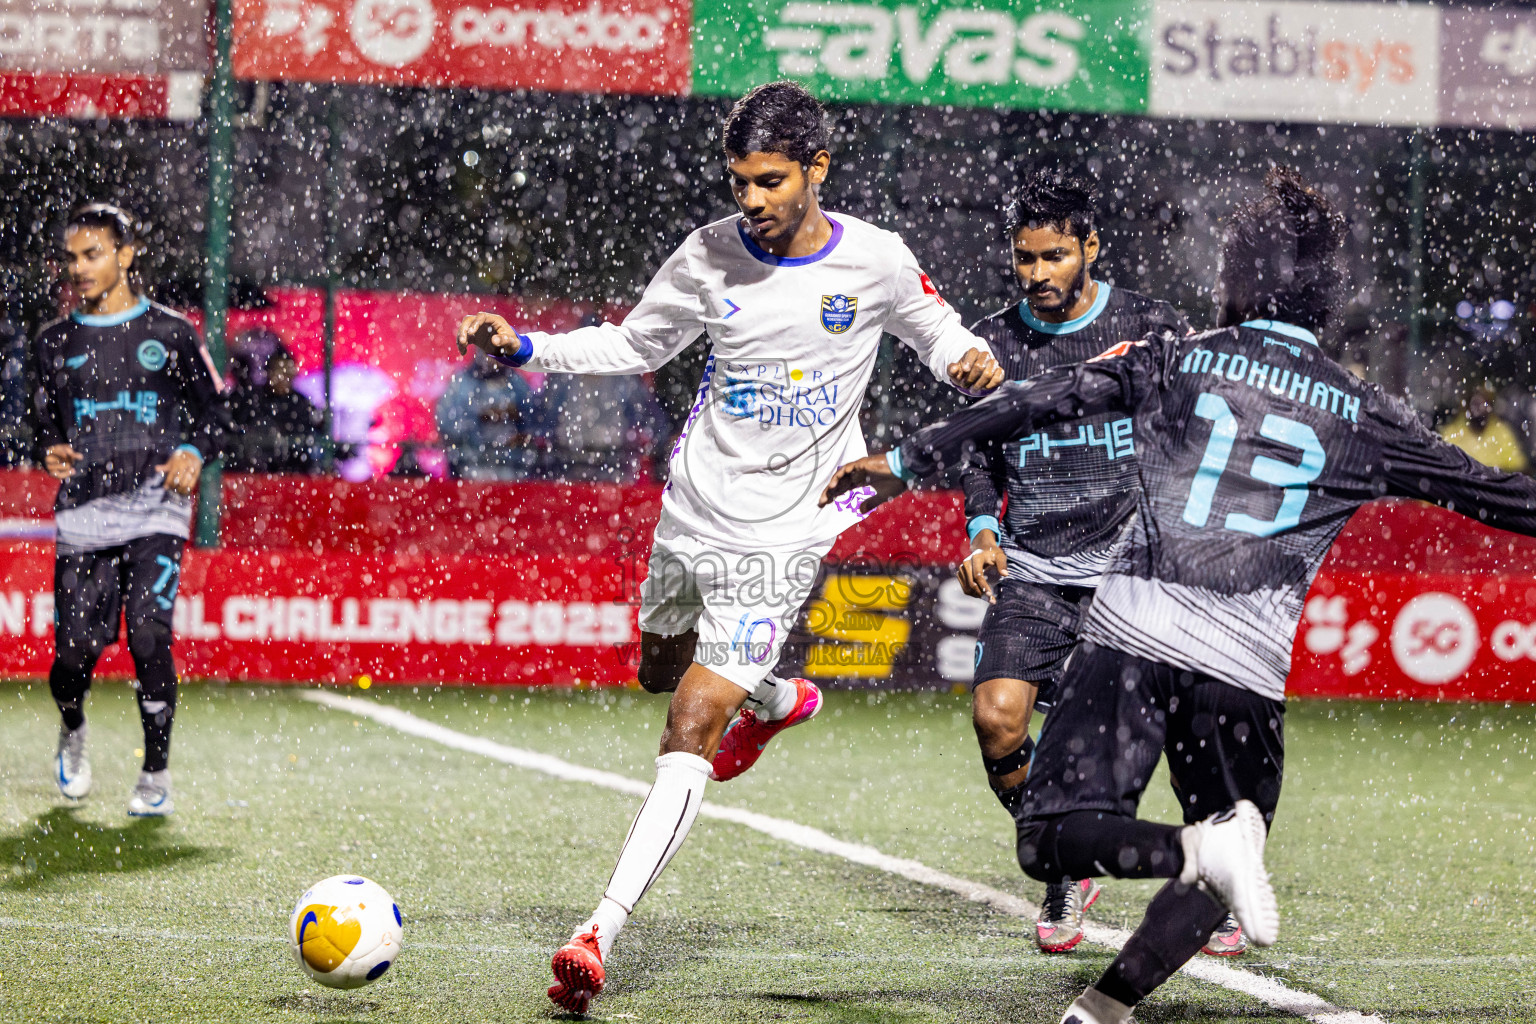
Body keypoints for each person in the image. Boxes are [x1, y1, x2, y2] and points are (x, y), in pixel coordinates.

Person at [821, 168, 1536, 1024]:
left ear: (1233, 281)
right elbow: (1502, 499)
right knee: (1235, 848)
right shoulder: (1364, 411)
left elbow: (1032, 402)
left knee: (1053, 838)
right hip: (1242, 667)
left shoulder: (1175, 355)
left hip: (1130, 636)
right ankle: (1126, 977)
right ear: (1330, 298)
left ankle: (1139, 943)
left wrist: (904, 461)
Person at [454, 81, 1003, 1013]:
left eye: (772, 181)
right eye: (740, 181)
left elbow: (942, 334)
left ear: (818, 169)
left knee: (689, 726)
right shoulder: (707, 256)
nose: (751, 201)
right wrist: (526, 352)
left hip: (786, 532)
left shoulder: (874, 260)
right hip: (692, 509)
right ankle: (784, 697)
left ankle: (599, 932)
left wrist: (968, 360)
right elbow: (634, 346)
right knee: (661, 673)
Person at [954, 169, 1239, 956]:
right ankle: (1067, 864)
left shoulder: (1151, 327)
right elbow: (978, 452)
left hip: (1139, 568)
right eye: (1024, 259)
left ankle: (1218, 883)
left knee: (1194, 729)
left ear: (1090, 246)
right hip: (1037, 565)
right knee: (997, 719)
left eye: (1053, 256)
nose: (1037, 274)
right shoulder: (990, 344)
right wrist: (983, 531)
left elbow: (1197, 433)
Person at [33, 202, 228, 817]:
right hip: (85, 517)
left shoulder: (170, 333)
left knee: (148, 635)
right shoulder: (53, 342)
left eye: (92, 254)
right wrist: (48, 449)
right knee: (73, 655)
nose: (79, 268)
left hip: (156, 509)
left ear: (125, 254)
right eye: (71, 257)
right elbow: (39, 423)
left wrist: (194, 449)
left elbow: (217, 412)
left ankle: (155, 773)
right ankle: (73, 726)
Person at [534, 370, 671, 483]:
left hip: (614, 464)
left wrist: (645, 442)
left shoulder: (624, 378)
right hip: (565, 463)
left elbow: (652, 420)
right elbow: (544, 419)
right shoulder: (562, 376)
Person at [436, 349, 538, 480]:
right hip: (470, 467)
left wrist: (515, 421)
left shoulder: (517, 383)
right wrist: (480, 419)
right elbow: (447, 424)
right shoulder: (461, 384)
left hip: (511, 468)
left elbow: (533, 420)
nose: (492, 359)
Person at [229, 348, 324, 473]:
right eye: (279, 371)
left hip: (295, 472)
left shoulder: (302, 404)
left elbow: (320, 433)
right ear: (269, 372)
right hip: (258, 472)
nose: (283, 377)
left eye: (288, 371)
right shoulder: (253, 399)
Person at [1438, 384, 1529, 473]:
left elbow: (1517, 465)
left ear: (1491, 407)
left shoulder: (1502, 432)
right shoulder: (1452, 432)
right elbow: (1443, 463)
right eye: (1475, 404)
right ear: (1466, 406)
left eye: (1484, 404)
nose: (1479, 409)